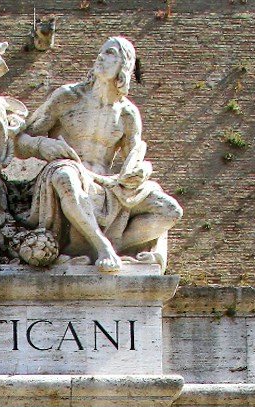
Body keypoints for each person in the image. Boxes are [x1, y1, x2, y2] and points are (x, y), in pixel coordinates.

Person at [17, 36, 183, 271]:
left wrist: (142, 171)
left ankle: (110, 248)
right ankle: (102, 247)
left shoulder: (127, 114)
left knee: (170, 211)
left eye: (110, 53)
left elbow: (134, 157)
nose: (100, 57)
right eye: (102, 52)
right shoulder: (68, 97)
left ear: (124, 66)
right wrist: (41, 145)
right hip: (67, 168)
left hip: (106, 183)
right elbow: (20, 140)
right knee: (65, 176)